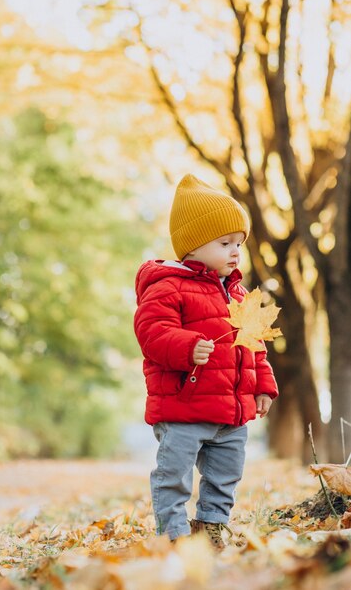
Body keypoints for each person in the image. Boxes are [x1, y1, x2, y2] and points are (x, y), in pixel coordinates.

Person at [134, 174, 278, 548]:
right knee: (174, 474)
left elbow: (254, 345)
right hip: (184, 406)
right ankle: (173, 534)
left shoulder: (239, 294)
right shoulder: (167, 286)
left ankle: (211, 526)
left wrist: (263, 385)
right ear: (193, 247)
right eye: (225, 243)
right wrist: (186, 347)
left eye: (239, 244)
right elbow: (152, 332)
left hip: (230, 411)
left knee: (226, 474)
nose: (235, 252)